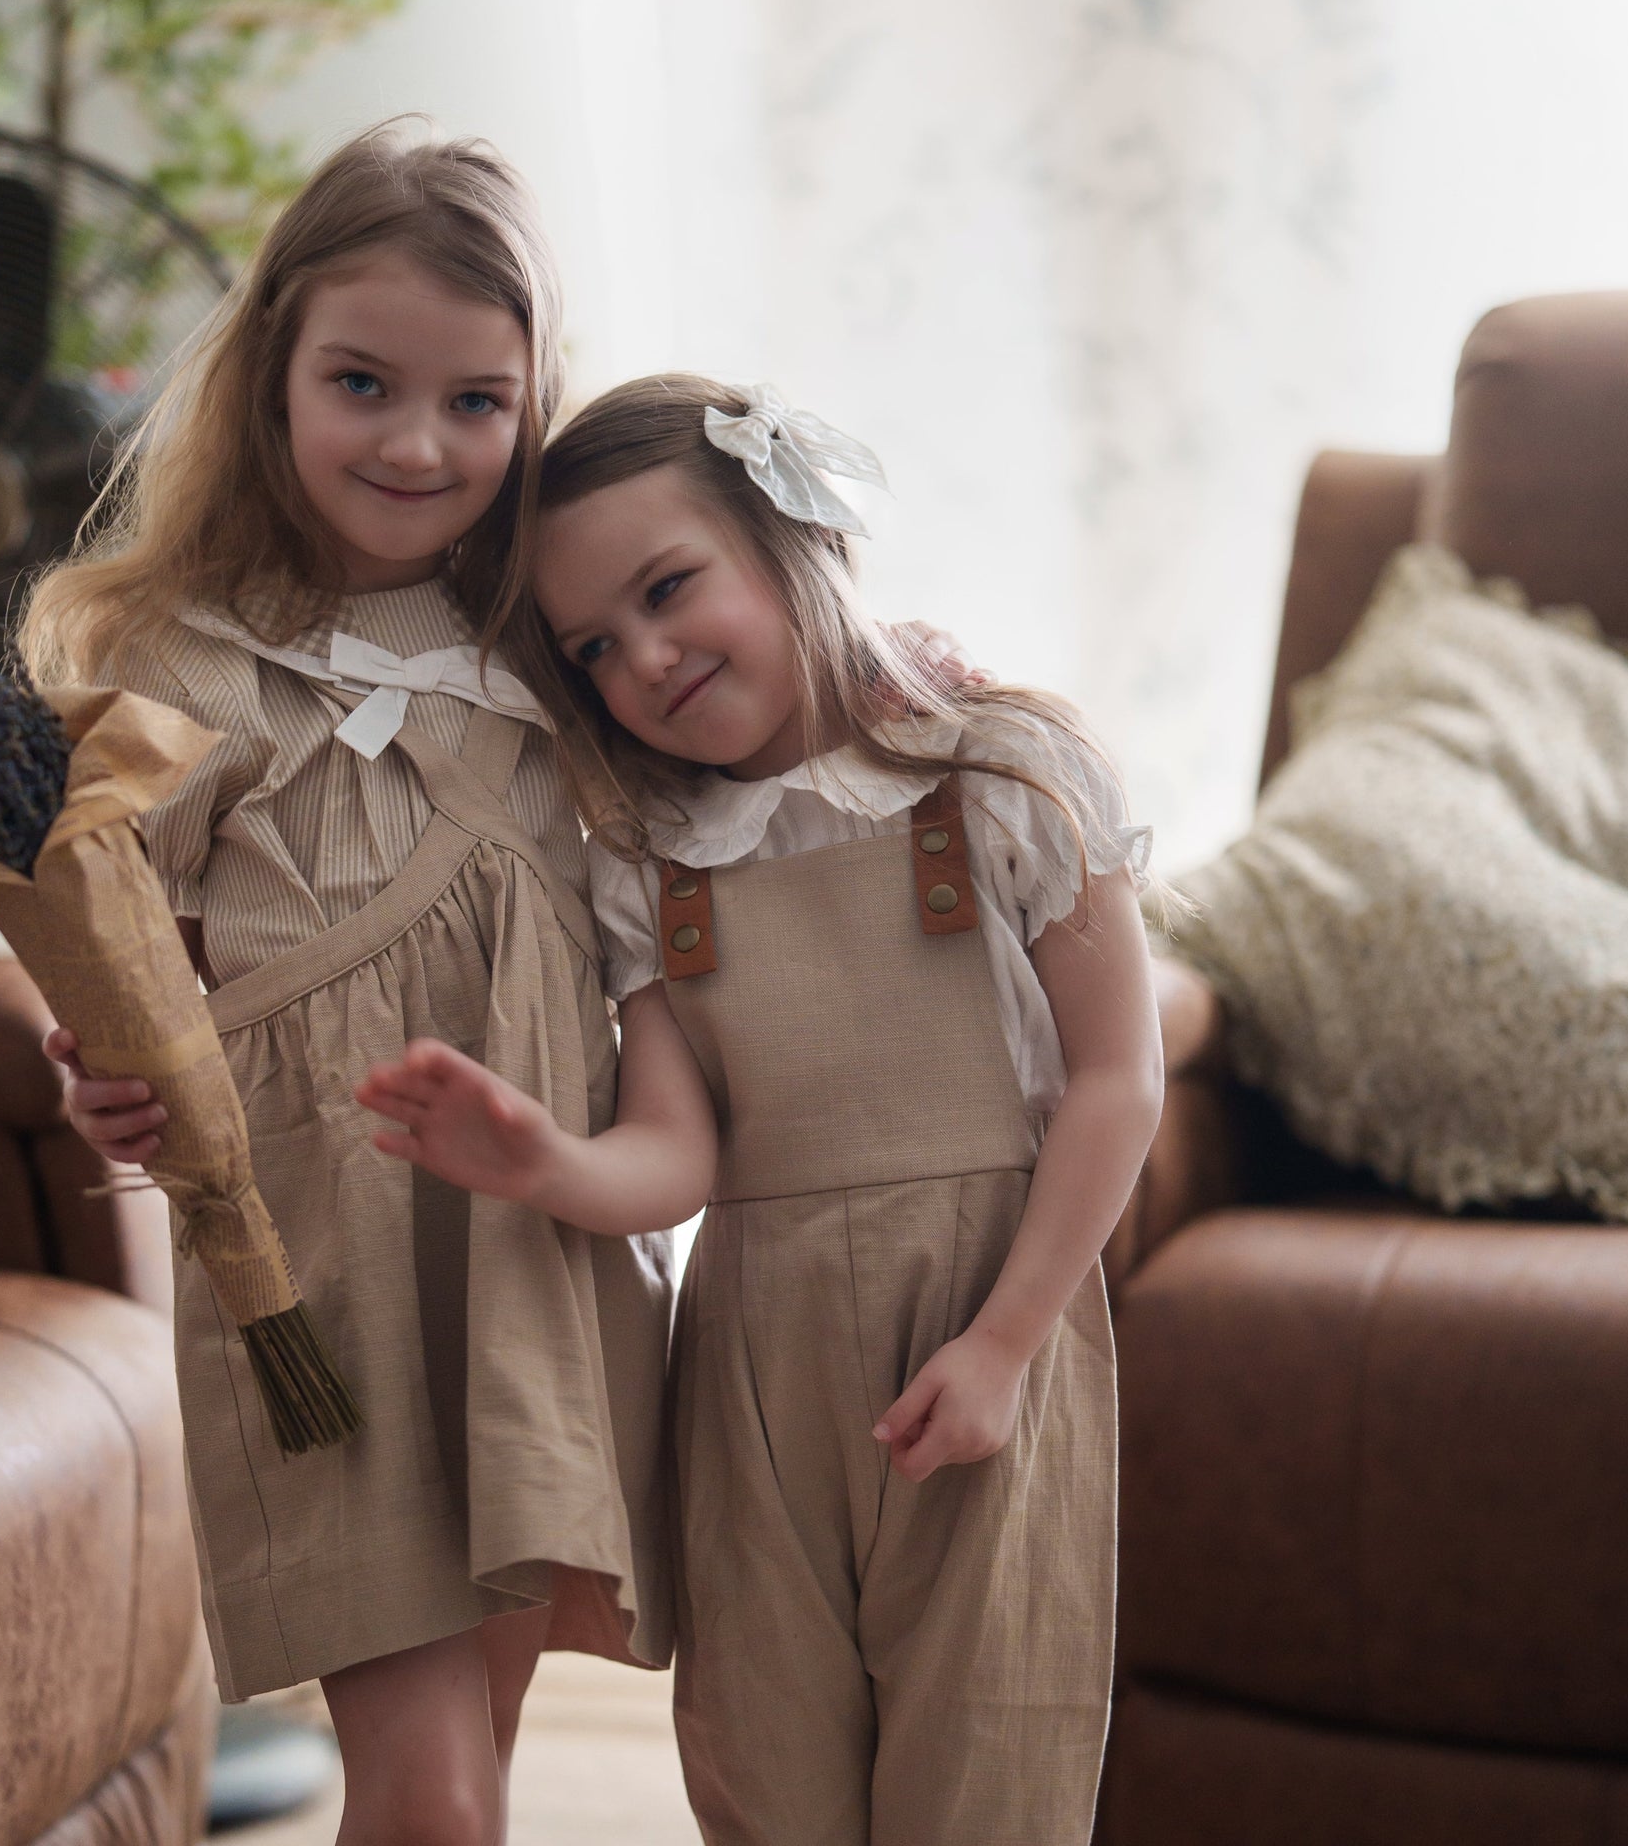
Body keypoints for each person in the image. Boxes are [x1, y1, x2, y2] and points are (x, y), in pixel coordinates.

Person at [353, 375, 1166, 1846]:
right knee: (759, 1763)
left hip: (984, 1318)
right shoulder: (651, 860)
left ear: (792, 536)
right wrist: (542, 1158)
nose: (647, 659)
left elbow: (1120, 1077)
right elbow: (677, 1157)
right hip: (748, 1360)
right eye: (596, 645)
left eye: (671, 590)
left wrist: (1001, 1344)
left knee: (986, 1765)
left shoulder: (1004, 775)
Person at [19, 123, 678, 1846]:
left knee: (474, 1769)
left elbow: (747, 719)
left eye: (477, 400)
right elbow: (108, 956)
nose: (415, 442)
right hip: (318, 1277)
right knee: (437, 1791)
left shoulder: (565, 645)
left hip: (534, 1258)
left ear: (536, 402)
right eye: (363, 382)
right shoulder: (174, 657)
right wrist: (97, 1070)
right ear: (272, 376)